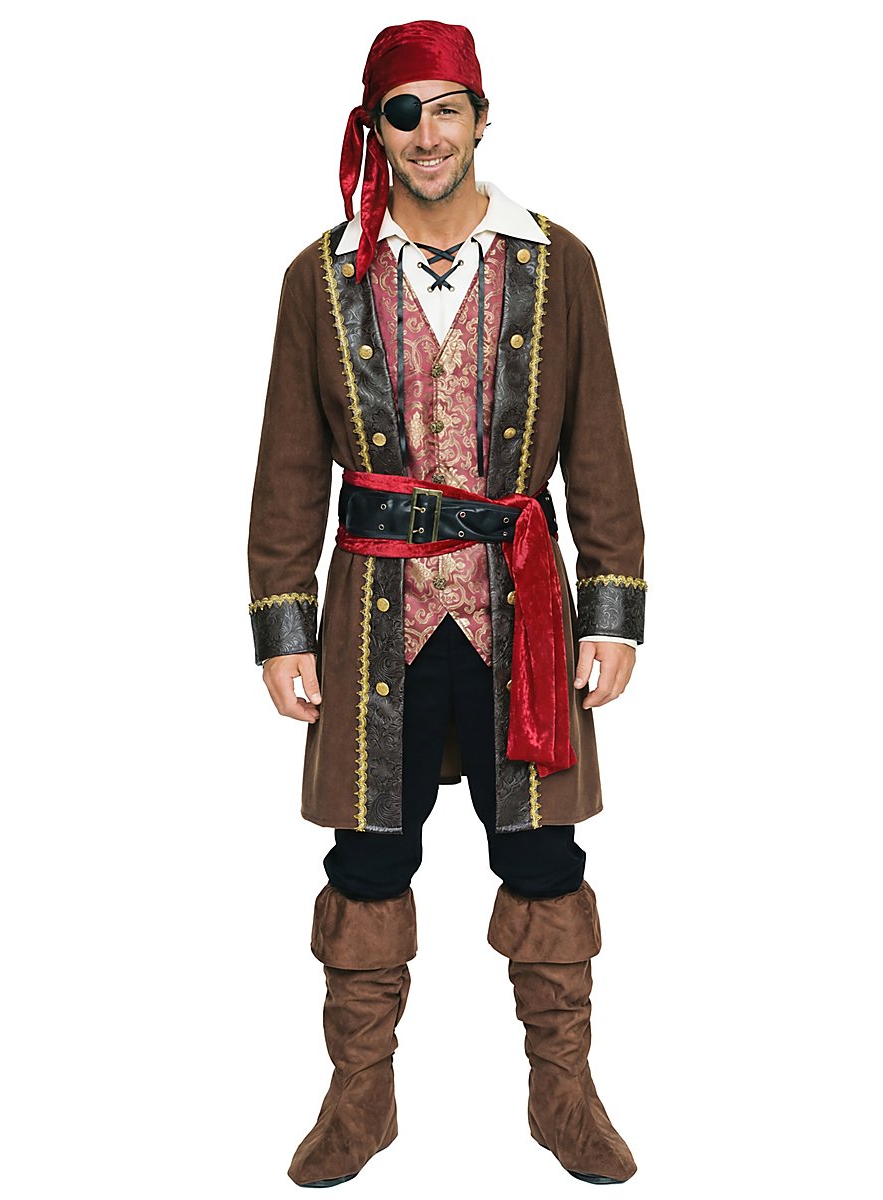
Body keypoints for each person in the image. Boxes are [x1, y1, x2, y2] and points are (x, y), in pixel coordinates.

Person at [247, 19, 646, 1189]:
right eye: (402, 111)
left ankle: (562, 1092)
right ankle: (360, 1098)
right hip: (378, 610)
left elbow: (599, 442)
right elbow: (288, 462)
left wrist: (612, 608)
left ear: (482, 117)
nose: (427, 134)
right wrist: (281, 623)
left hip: (520, 608)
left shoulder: (558, 265)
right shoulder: (321, 278)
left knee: (544, 855)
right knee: (369, 860)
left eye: (447, 108)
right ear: (375, 128)